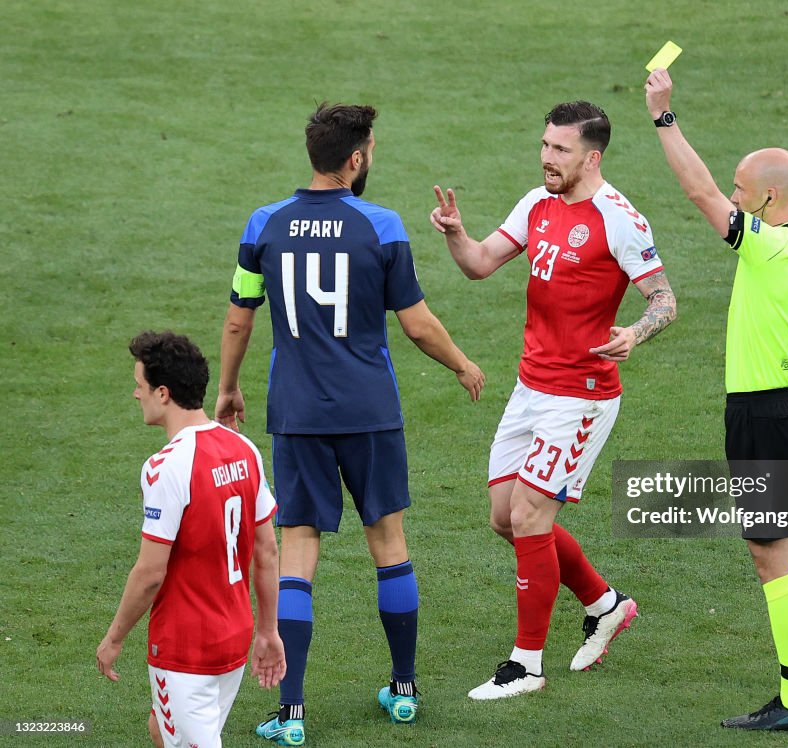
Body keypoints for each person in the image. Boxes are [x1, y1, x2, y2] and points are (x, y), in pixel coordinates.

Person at [217, 103, 485, 744]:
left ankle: (291, 712)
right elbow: (416, 324)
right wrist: (462, 363)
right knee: (388, 543)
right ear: (357, 157)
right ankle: (403, 689)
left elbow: (238, 316)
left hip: (298, 413)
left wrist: (228, 387)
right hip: (370, 411)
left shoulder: (263, 224)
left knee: (298, 551)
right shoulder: (382, 226)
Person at [431, 100, 677, 699]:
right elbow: (482, 264)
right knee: (503, 519)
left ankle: (526, 666)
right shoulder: (537, 204)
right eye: (545, 145)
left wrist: (634, 333)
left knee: (529, 516)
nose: (546, 157)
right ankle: (606, 603)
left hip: (582, 395)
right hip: (530, 387)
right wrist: (458, 235)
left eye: (560, 150)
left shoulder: (620, 219)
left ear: (591, 157)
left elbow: (664, 299)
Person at [644, 68, 788, 731]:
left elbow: (698, 191)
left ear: (767, 197)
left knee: (770, 557)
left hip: (763, 418)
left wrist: (664, 118)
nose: (732, 195)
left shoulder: (768, 248)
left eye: (741, 190)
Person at [97, 331, 285, 748]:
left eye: (140, 385)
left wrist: (114, 638)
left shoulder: (165, 467)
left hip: (186, 649)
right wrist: (269, 631)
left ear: (163, 393)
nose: (135, 394)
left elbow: (149, 573)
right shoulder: (244, 450)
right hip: (233, 638)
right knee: (162, 726)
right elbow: (268, 551)